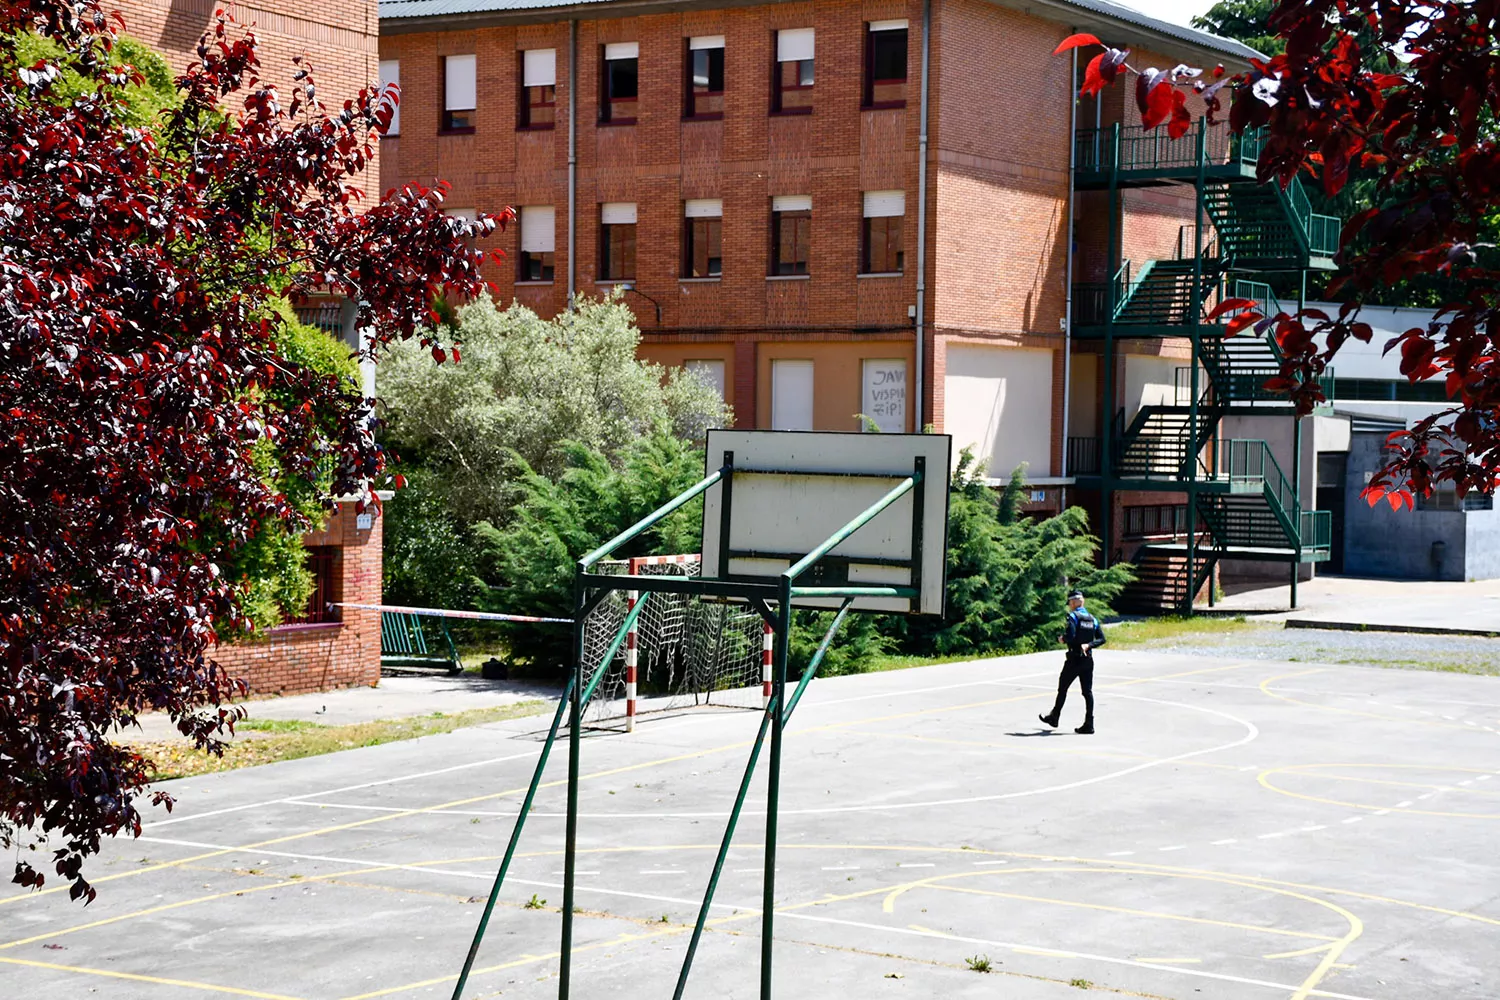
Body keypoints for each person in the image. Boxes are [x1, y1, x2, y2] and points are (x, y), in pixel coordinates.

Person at [1039, 589, 1106, 735]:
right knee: (1087, 692)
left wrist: (1063, 639)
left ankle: (1055, 717)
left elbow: (1071, 636)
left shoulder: (1073, 617)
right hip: (1088, 659)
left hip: (1074, 659)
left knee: (1062, 688)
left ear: (1075, 602)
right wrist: (1089, 645)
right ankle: (1089, 723)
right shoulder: (1092, 619)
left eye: (1070, 602)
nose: (1069, 605)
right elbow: (1102, 639)